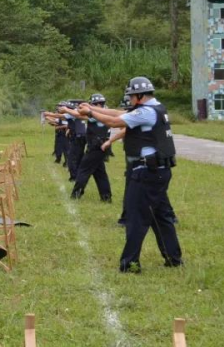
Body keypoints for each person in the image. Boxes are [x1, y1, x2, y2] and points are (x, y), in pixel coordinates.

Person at [78, 76, 183, 273]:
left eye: (132, 96)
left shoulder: (146, 112)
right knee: (161, 217)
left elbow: (114, 121)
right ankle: (173, 258)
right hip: (158, 172)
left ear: (140, 96)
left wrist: (91, 111)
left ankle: (130, 264)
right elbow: (118, 112)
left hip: (147, 174)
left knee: (136, 219)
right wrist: (94, 109)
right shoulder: (155, 108)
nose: (131, 100)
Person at [61, 94, 112, 202]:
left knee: (83, 170)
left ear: (97, 104)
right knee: (100, 173)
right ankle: (106, 196)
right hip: (100, 146)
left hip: (95, 146)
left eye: (93, 104)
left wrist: (66, 109)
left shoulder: (97, 113)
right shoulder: (105, 112)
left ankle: (76, 193)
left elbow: (79, 115)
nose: (91, 106)